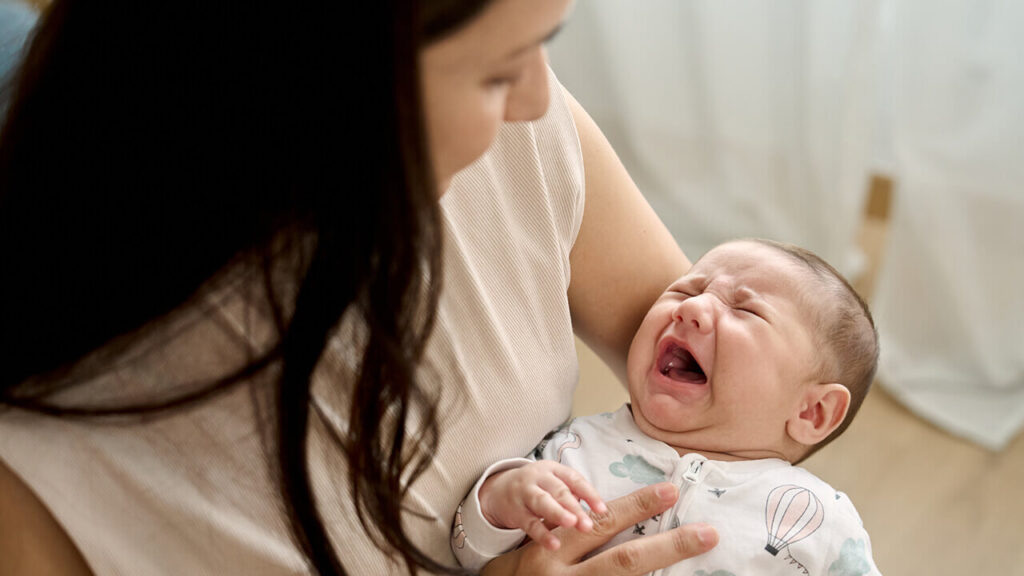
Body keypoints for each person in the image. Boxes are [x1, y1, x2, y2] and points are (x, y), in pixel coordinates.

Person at [0, 0, 720, 574]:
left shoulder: (509, 138)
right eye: (499, 73)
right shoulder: (44, 488)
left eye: (542, 44)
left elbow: (752, 388)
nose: (536, 101)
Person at [452, 239, 883, 575]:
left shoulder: (823, 522)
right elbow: (470, 556)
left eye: (744, 309)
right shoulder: (570, 449)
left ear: (812, 412)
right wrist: (496, 505)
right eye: (685, 290)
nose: (692, 307)